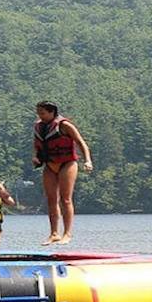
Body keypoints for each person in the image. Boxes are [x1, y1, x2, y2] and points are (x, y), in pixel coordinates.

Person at [32, 101, 93, 245]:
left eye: (42, 112)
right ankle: (54, 233)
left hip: (67, 164)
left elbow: (81, 143)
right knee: (51, 199)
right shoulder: (39, 126)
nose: (39, 115)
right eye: (38, 112)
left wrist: (88, 161)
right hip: (50, 165)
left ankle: (67, 233)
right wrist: (35, 156)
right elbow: (36, 145)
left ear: (52, 112)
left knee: (66, 199)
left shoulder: (64, 125)